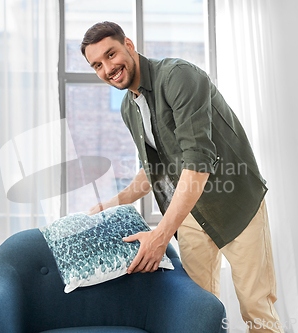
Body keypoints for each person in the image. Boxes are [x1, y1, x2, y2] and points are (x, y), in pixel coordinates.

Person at [81, 21, 283, 333]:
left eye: (111, 54)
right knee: (197, 310)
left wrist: (160, 235)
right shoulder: (128, 107)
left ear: (129, 46)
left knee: (256, 309)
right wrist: (113, 203)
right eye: (97, 64)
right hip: (188, 212)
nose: (108, 68)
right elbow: (153, 171)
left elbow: (198, 161)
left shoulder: (178, 76)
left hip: (235, 204)